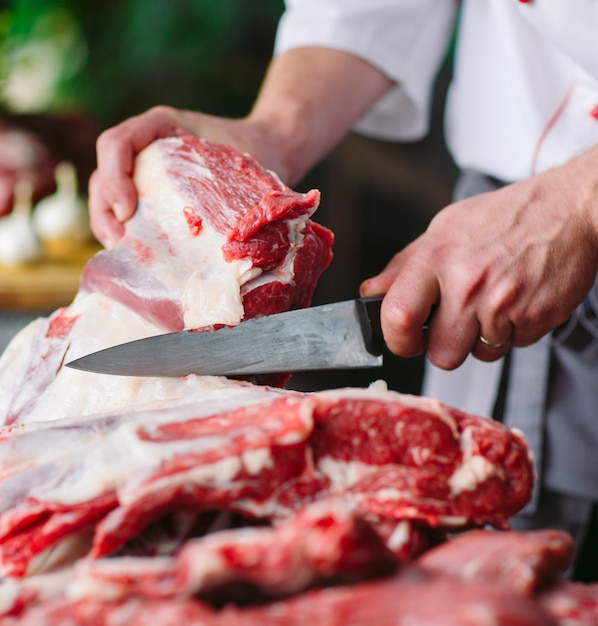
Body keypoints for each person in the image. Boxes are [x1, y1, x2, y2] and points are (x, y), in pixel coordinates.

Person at [88, 1, 598, 579]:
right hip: (498, 244)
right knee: (499, 579)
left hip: (534, 222)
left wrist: (580, 199)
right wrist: (275, 129)